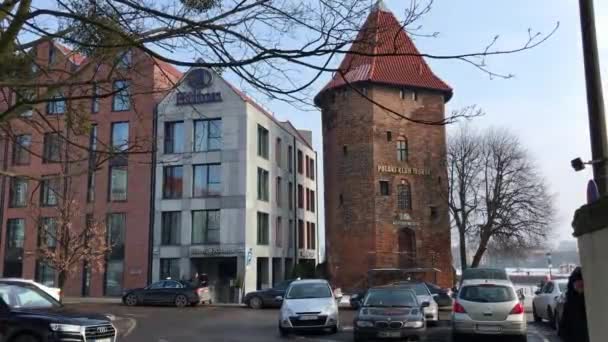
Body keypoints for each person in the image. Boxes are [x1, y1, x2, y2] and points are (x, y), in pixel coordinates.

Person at [558, 267, 589, 342]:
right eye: (576, 282)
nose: (579, 284)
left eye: (581, 281)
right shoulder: (570, 301)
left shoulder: (591, 299)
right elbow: (564, 324)